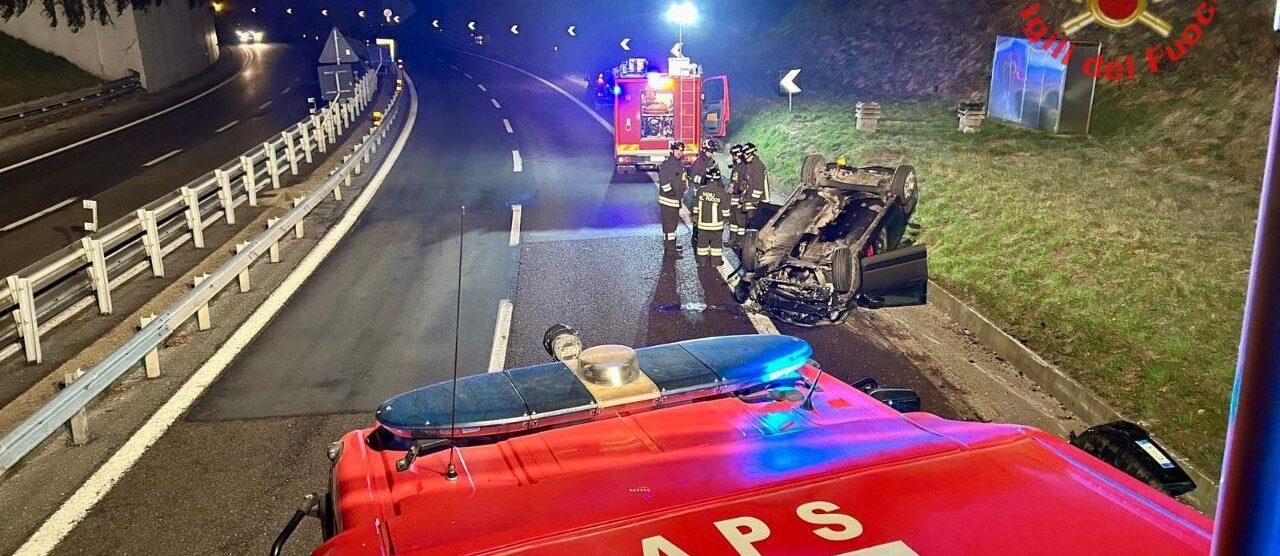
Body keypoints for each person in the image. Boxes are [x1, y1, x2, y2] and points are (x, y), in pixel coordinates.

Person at [692, 165, 731, 266]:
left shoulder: (700, 191)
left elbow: (695, 208)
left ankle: (702, 262)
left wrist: (695, 218)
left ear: (707, 178)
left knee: (702, 244)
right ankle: (716, 262)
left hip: (702, 225)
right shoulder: (722, 192)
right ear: (718, 179)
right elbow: (726, 211)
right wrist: (725, 219)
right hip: (716, 226)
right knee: (716, 244)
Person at [656, 141, 689, 247]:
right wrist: (672, 193)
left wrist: (684, 186)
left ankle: (671, 246)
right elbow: (664, 181)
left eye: (681, 150)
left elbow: (681, 179)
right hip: (668, 201)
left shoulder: (679, 164)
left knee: (672, 226)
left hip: (675, 201)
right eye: (677, 150)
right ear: (672, 151)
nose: (680, 152)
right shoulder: (667, 164)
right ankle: (670, 250)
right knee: (670, 226)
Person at [738, 143, 769, 238]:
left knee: (754, 223)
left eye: (747, 154)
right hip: (750, 198)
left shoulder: (758, 166)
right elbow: (747, 181)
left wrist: (753, 200)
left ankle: (751, 244)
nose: (745, 156)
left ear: (754, 153)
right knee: (749, 221)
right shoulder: (750, 165)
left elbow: (758, 187)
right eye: (744, 154)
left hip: (758, 201)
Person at [727, 144, 747, 244]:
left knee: (740, 220)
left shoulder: (743, 167)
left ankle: (740, 241)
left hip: (739, 197)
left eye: (732, 155)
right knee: (733, 219)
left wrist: (741, 201)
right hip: (734, 197)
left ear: (736, 155)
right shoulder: (737, 166)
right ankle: (733, 239)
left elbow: (743, 185)